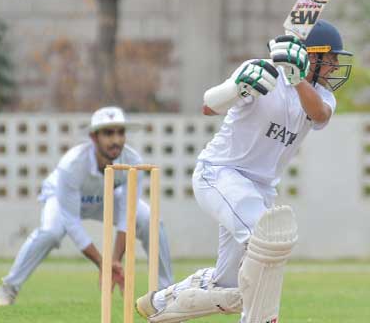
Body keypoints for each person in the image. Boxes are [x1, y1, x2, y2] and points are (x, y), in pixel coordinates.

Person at [134, 20, 354, 323]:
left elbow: (319, 114)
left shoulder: (320, 94)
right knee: (266, 241)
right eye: (328, 59)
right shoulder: (263, 71)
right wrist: (237, 89)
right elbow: (209, 106)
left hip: (259, 188)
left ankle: (163, 301)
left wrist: (298, 78)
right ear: (309, 55)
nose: (332, 66)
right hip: (221, 174)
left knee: (230, 286)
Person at [0, 106, 174, 306]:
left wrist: (115, 261)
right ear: (94, 137)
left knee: (150, 220)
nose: (116, 140)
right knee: (51, 232)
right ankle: (9, 288)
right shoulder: (72, 165)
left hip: (106, 196)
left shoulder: (133, 162)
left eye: (120, 132)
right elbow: (71, 221)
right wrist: (102, 264)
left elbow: (126, 216)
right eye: (108, 133)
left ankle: (167, 294)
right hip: (62, 198)